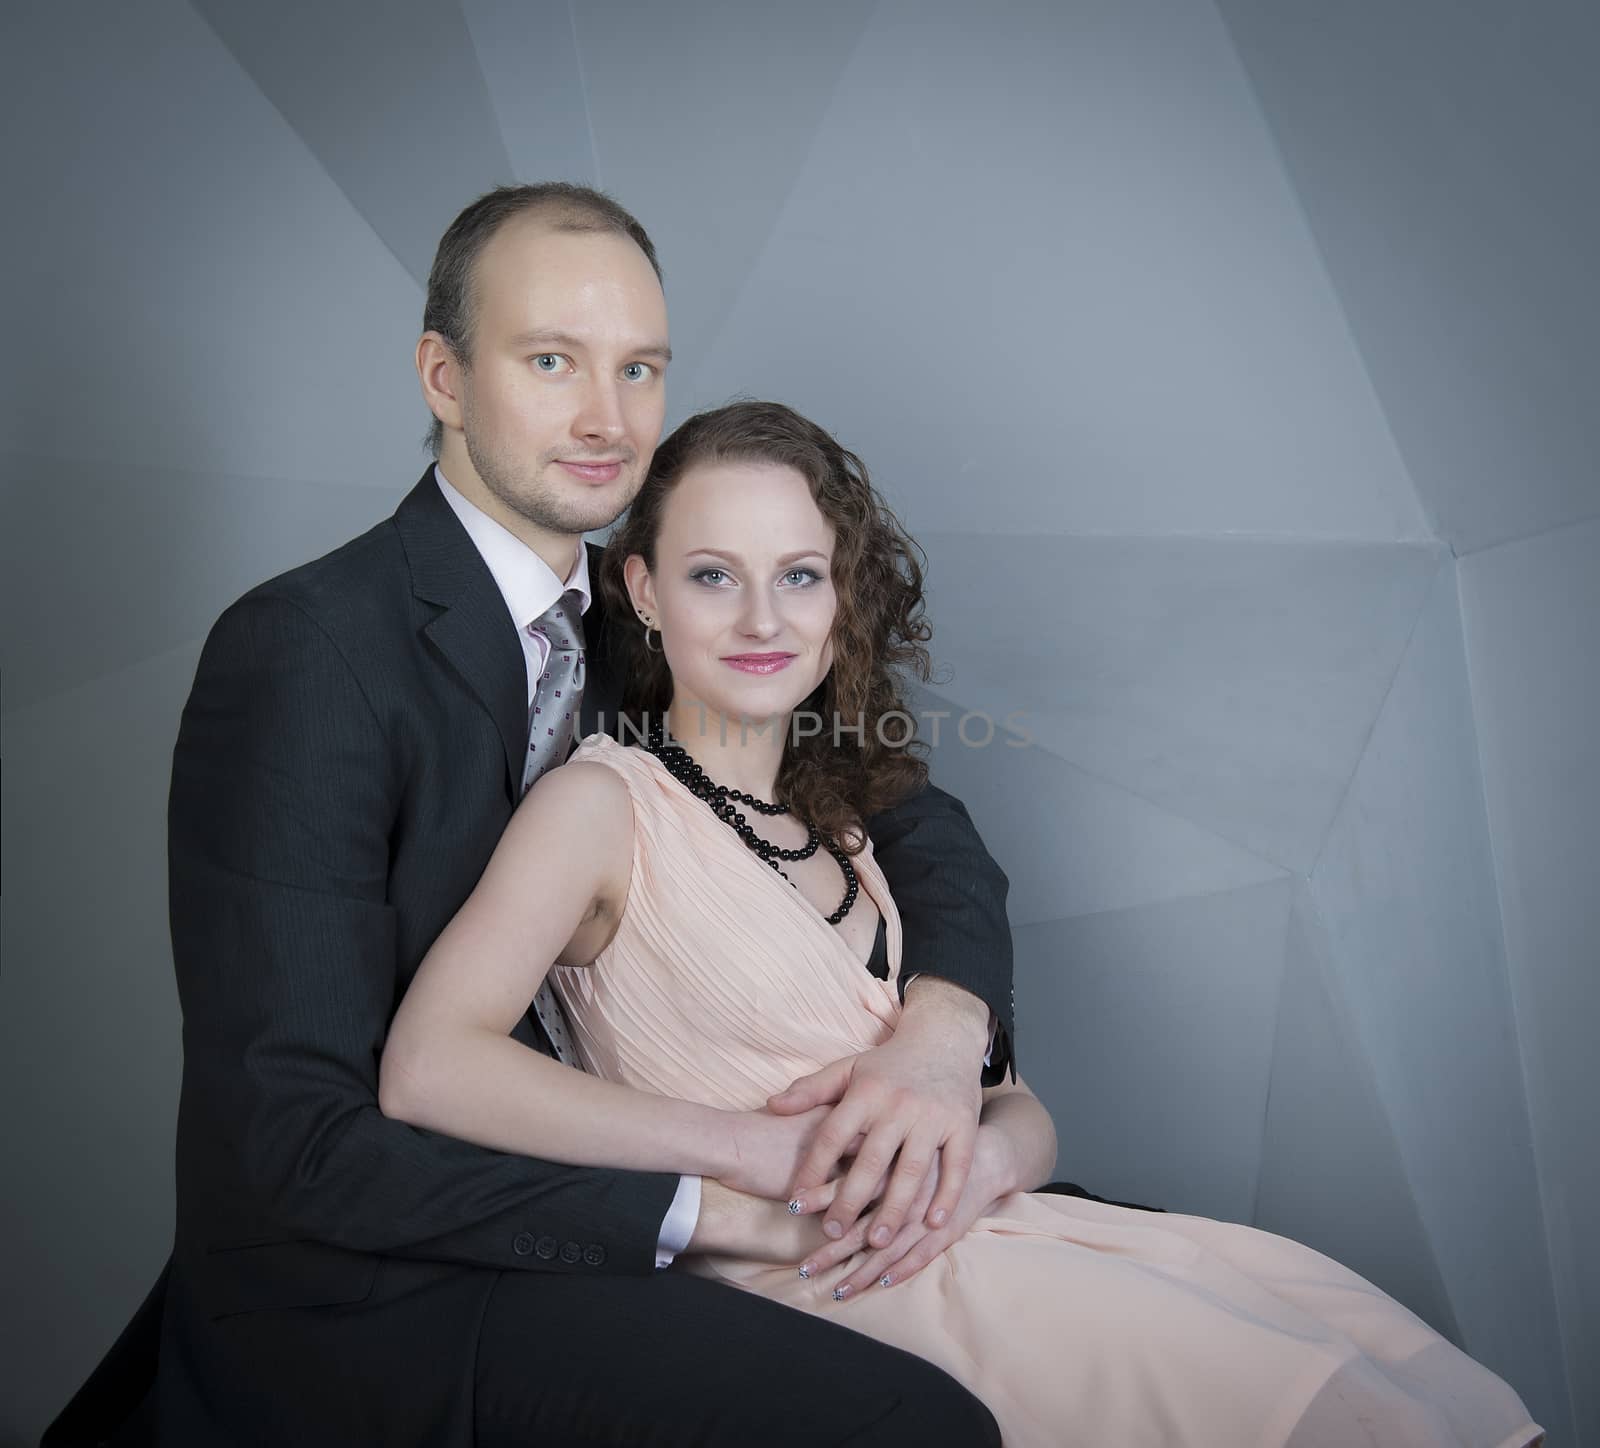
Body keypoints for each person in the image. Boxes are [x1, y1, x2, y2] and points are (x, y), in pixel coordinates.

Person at [44, 185, 1015, 1447]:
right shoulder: (305, 652)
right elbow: (296, 1140)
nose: (607, 420)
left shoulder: (658, 617)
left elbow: (915, 823)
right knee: (911, 1424)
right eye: (550, 360)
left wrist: (939, 1037)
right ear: (443, 376)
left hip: (643, 1218)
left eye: (640, 368)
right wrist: (715, 1196)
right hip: (379, 1283)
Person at [380, 399, 1545, 1448]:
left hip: (983, 1229)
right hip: (819, 1281)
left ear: (842, 600)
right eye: (711, 575)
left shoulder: (841, 819)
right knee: (1340, 1408)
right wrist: (754, 1151)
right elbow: (430, 1064)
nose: (760, 617)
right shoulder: (599, 802)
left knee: (1378, 1351)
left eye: (799, 574)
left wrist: (977, 1159)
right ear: (640, 590)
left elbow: (1014, 1102)